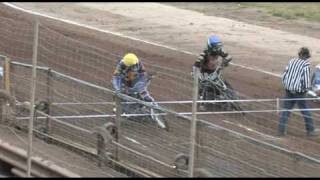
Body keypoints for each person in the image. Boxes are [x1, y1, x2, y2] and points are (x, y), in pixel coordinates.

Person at [278, 47, 318, 137]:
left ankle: (280, 130)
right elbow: (305, 79)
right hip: (299, 92)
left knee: (286, 110)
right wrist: (306, 90)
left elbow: (284, 75)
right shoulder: (305, 64)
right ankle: (310, 130)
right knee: (305, 110)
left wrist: (287, 85)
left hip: (288, 90)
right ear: (305, 56)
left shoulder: (291, 61)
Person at [192, 35, 233, 111]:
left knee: (222, 84)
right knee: (206, 85)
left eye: (218, 47)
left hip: (216, 71)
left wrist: (225, 62)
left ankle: (225, 97)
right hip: (205, 72)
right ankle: (203, 104)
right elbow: (196, 65)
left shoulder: (220, 51)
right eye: (216, 47)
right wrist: (195, 74)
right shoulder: (204, 54)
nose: (217, 48)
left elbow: (229, 56)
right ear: (210, 46)